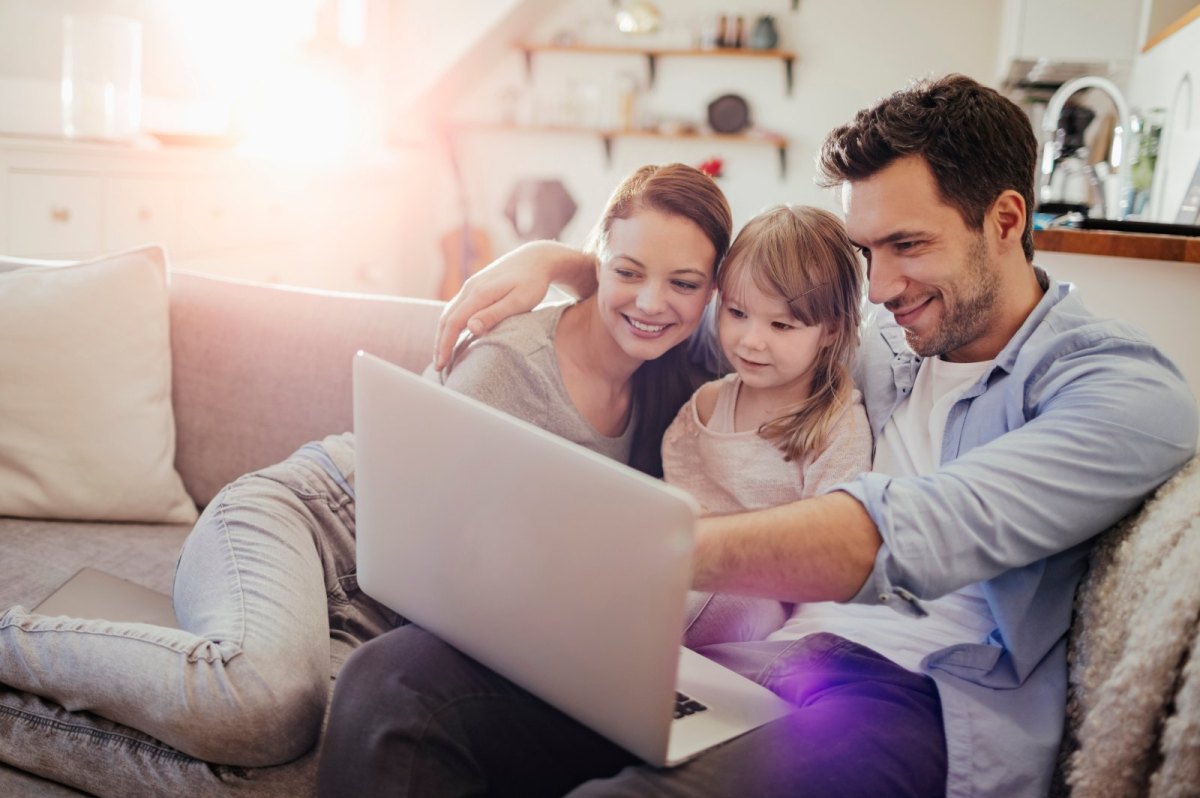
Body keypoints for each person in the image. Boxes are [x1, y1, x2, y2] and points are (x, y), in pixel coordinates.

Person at [315, 74, 1198, 798]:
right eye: (865, 252)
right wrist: (563, 260)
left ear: (1005, 221)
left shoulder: (1118, 390)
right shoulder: (873, 337)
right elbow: (685, 309)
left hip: (915, 702)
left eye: (907, 246)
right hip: (755, 661)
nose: (881, 285)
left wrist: (628, 553)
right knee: (395, 683)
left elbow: (905, 529)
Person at [0, 163, 732, 792]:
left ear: (710, 295)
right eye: (626, 271)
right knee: (266, 704)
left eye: (683, 283)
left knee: (310, 772)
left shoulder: (678, 385)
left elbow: (770, 310)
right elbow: (432, 545)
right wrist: (556, 258)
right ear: (598, 257)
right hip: (317, 523)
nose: (649, 301)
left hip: (392, 610)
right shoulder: (511, 361)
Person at [672, 204, 872, 648]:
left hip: (762, 606)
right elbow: (674, 507)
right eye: (737, 313)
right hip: (679, 581)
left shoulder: (837, 428)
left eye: (781, 324)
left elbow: (830, 550)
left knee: (742, 607)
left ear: (831, 330)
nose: (750, 340)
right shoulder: (707, 406)